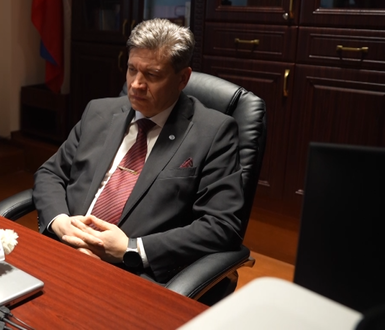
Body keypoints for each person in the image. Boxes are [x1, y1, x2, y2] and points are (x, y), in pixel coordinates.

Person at [32, 18, 245, 283]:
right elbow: (51, 173)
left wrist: (132, 249)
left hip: (134, 272)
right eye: (132, 70)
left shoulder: (214, 132)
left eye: (152, 75)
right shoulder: (99, 112)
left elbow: (221, 226)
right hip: (64, 250)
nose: (136, 84)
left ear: (183, 78)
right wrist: (60, 222)